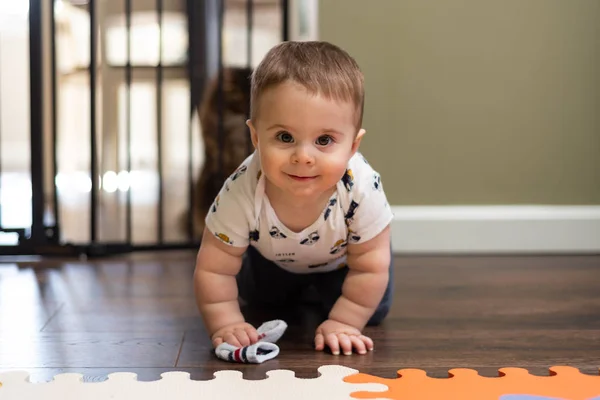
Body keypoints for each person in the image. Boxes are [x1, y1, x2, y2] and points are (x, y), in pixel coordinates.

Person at [193, 40, 394, 356]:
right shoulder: (242, 189)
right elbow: (214, 269)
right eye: (285, 137)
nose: (303, 156)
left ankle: (323, 293)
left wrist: (345, 321)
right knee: (259, 299)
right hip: (274, 260)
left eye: (324, 140)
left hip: (344, 262)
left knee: (374, 309)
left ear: (353, 147)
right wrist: (226, 322)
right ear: (256, 138)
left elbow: (370, 266)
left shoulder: (361, 188)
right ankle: (301, 289)